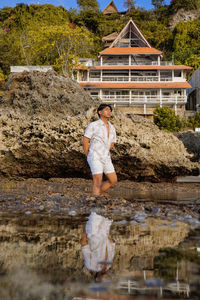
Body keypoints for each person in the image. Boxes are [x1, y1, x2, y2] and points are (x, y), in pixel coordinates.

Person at [83, 104, 117, 196]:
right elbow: (86, 140)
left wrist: (105, 150)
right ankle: (94, 205)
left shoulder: (112, 127)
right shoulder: (93, 125)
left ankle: (100, 193)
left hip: (106, 157)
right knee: (97, 181)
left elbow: (113, 142)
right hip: (95, 156)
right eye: (106, 109)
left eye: (110, 110)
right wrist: (88, 155)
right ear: (100, 112)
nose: (109, 111)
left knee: (113, 179)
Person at [81, 212, 115, 282]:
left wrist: (86, 230)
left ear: (97, 279)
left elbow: (84, 245)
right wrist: (107, 237)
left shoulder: (90, 265)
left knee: (96, 212)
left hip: (94, 232)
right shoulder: (108, 266)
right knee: (108, 212)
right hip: (104, 232)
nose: (107, 281)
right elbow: (112, 247)